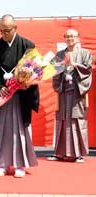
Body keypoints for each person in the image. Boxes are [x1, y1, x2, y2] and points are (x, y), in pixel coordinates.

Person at [0, 14, 39, 178]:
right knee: (2, 129)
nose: (3, 34)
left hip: (21, 95)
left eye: (6, 30)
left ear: (15, 28)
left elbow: (35, 70)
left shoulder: (27, 45)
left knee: (20, 130)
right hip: (4, 95)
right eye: (0, 30)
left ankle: (19, 165)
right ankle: (2, 164)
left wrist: (26, 82)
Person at [47, 29, 93, 163]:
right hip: (63, 90)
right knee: (62, 121)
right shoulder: (60, 54)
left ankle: (78, 154)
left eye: (72, 36)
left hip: (77, 92)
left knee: (77, 120)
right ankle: (59, 153)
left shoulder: (85, 53)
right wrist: (60, 68)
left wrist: (75, 65)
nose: (70, 38)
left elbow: (88, 70)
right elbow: (53, 72)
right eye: (67, 36)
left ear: (78, 37)